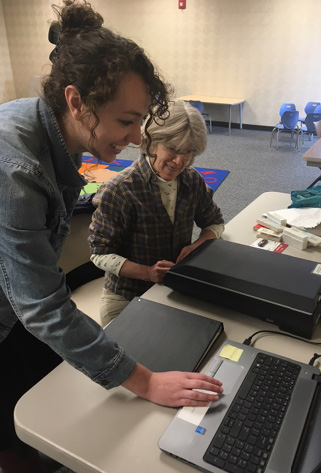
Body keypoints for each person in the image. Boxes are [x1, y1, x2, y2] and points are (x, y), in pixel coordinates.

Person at [0, 2, 223, 472]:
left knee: (47, 387)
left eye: (140, 121)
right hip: (14, 303)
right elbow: (41, 306)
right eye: (125, 121)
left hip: (15, 300)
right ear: (76, 101)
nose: (137, 136)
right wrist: (144, 382)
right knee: (15, 423)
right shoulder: (16, 169)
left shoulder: (45, 127)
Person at [89, 100, 225, 326]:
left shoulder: (191, 181)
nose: (181, 161)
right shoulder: (120, 190)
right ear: (151, 142)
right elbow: (99, 254)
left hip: (174, 286)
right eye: (173, 149)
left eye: (188, 152)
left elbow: (215, 223)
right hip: (127, 295)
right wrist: (147, 273)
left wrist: (197, 246)